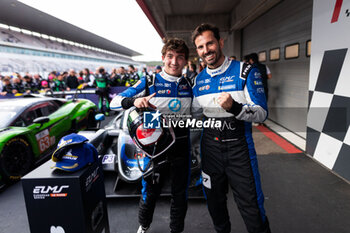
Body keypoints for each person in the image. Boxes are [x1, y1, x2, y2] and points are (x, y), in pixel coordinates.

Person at [191, 23, 271, 233]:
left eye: (210, 43)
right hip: (210, 150)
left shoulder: (245, 71)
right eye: (200, 47)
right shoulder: (198, 81)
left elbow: (262, 112)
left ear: (220, 42)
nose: (206, 50)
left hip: (239, 150)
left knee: (252, 209)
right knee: (215, 206)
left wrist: (234, 107)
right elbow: (194, 116)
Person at [110, 38, 192, 233]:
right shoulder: (149, 81)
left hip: (182, 147)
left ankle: (176, 230)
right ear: (163, 58)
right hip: (154, 150)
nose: (174, 62)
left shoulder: (190, 84)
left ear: (186, 61)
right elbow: (114, 102)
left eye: (180, 57)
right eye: (170, 57)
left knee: (180, 195)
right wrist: (134, 102)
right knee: (149, 193)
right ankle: (144, 225)